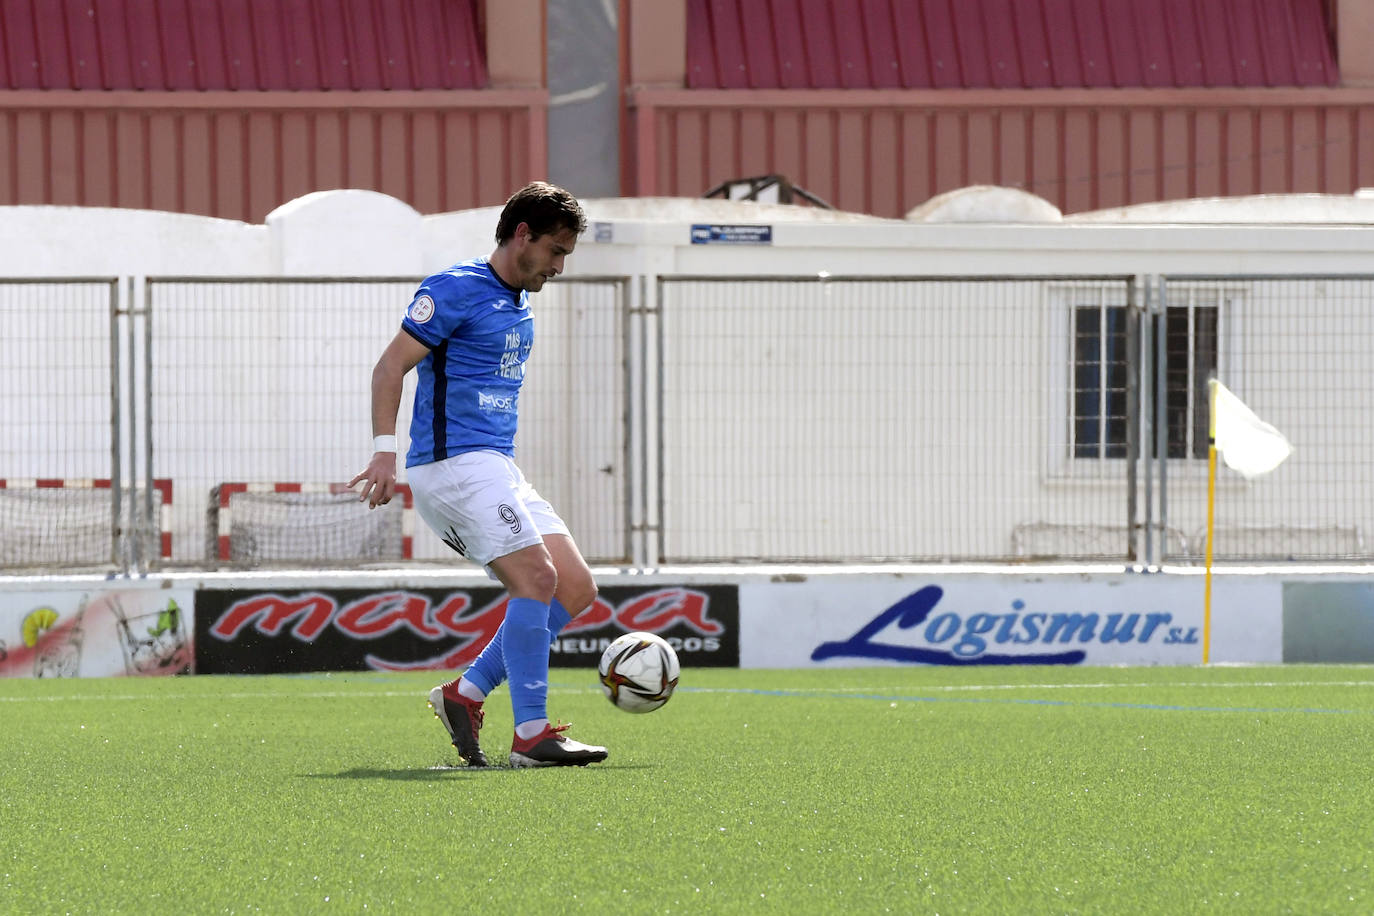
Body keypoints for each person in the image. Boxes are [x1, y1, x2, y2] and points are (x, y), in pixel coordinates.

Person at [349, 182, 606, 768]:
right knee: (536, 579)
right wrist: (383, 454)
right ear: (523, 235)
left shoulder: (518, 303)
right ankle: (532, 736)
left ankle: (464, 694)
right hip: (453, 466)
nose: (561, 266)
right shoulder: (455, 288)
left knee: (574, 587)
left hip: (496, 465)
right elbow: (390, 369)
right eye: (556, 251)